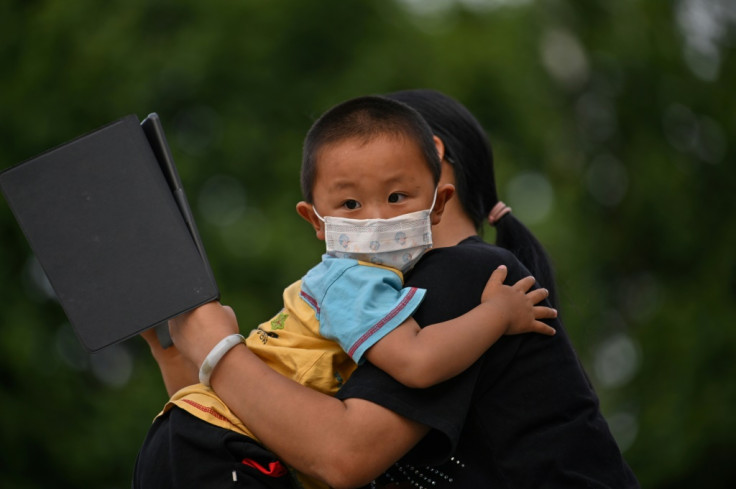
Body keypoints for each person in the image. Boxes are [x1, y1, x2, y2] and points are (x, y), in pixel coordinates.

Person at [148, 90, 639, 488]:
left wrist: (218, 349)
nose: (371, 218)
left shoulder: (466, 274)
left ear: (432, 153)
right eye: (348, 202)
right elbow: (269, 427)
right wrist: (178, 356)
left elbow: (341, 454)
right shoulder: (385, 296)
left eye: (393, 194)